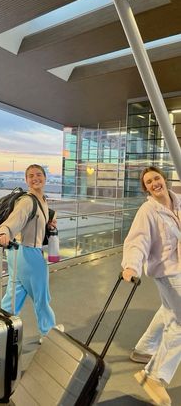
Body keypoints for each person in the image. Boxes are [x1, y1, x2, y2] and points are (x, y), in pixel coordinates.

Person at [121, 166, 181, 406]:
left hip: (180, 269)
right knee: (180, 322)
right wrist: (131, 266)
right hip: (168, 273)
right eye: (148, 182)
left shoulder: (178, 202)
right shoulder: (148, 211)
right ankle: (153, 376)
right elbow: (138, 240)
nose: (154, 183)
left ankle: (144, 349)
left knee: (169, 311)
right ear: (145, 188)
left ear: (164, 179)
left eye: (156, 178)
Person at [0, 164, 64, 340]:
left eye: (39, 175)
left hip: (16, 253)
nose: (35, 178)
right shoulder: (27, 201)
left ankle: (1, 330)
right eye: (31, 176)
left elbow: (35, 222)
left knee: (14, 294)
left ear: (45, 178)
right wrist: (4, 232)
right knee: (41, 295)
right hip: (28, 253)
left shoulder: (42, 200)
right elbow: (14, 220)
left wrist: (47, 224)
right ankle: (48, 332)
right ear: (26, 180)